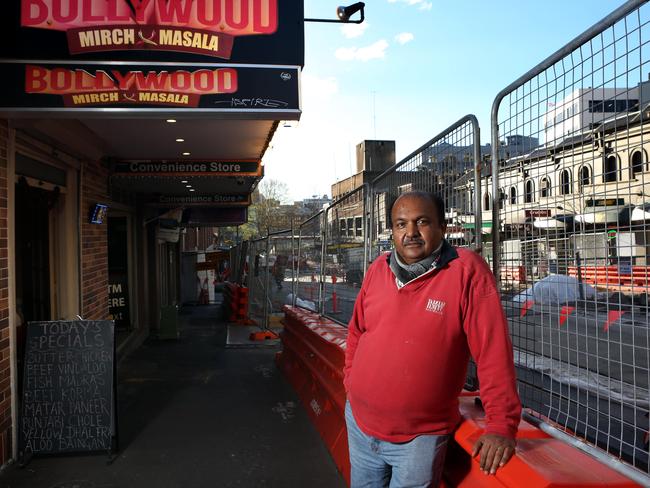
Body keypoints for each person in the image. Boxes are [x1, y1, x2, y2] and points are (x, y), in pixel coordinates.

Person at [344, 191, 521, 487]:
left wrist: (501, 425)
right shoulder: (378, 269)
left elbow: (493, 353)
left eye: (421, 222)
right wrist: (351, 383)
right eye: (401, 224)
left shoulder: (466, 271)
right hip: (360, 425)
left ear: (441, 226)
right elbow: (356, 332)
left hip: (418, 439)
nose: (410, 233)